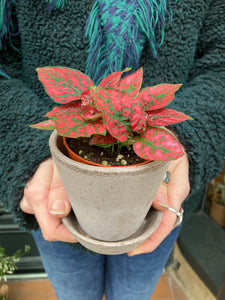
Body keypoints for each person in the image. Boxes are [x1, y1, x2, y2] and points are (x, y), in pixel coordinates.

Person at [0, 0, 224, 299]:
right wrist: (21, 146)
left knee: (134, 291)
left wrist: (188, 137)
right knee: (73, 290)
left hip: (157, 193)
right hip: (56, 187)